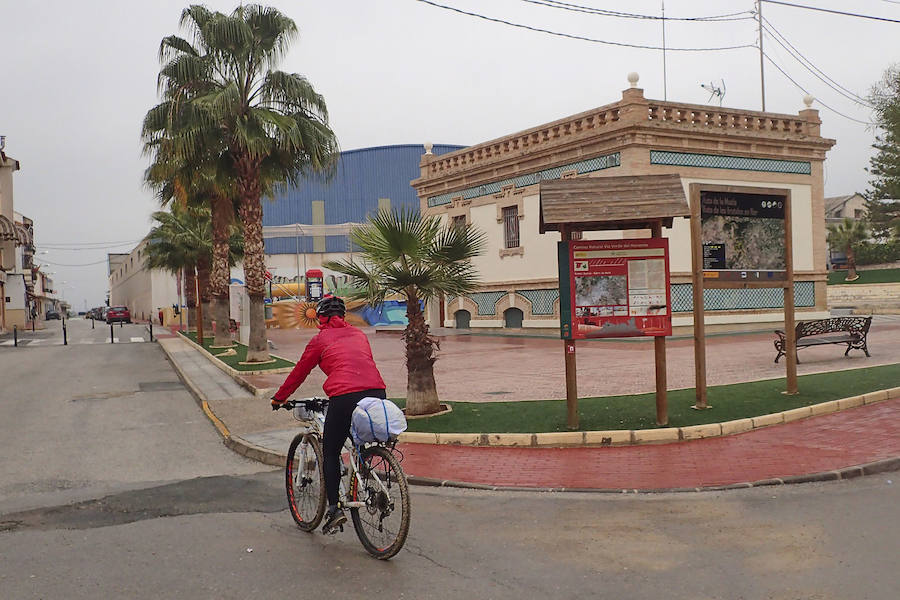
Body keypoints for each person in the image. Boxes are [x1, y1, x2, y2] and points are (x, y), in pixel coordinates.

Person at [270, 295, 386, 534]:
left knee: (331, 452)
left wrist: (279, 397)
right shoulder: (359, 335)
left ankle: (334, 509)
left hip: (344, 396)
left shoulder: (320, 340)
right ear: (343, 316)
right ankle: (365, 474)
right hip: (377, 392)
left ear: (320, 317)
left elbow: (300, 372)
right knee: (358, 442)